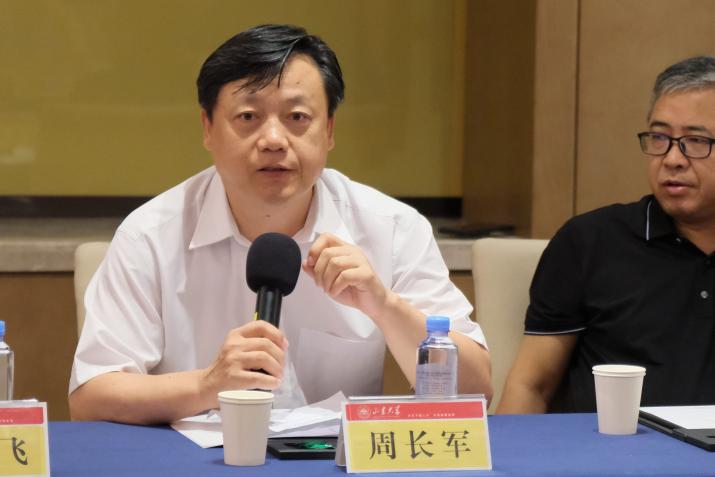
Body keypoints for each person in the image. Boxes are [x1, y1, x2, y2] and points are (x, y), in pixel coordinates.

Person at [69, 24, 492, 424]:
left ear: (329, 131)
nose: (273, 140)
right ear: (208, 129)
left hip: (334, 462)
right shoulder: (150, 235)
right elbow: (91, 397)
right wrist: (208, 385)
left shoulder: (393, 228)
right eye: (248, 117)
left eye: (297, 117)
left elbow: (476, 389)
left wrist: (384, 306)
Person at [498, 55, 715, 414]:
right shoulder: (589, 242)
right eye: (659, 137)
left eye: (695, 141)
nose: (672, 159)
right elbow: (531, 385)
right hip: (608, 445)